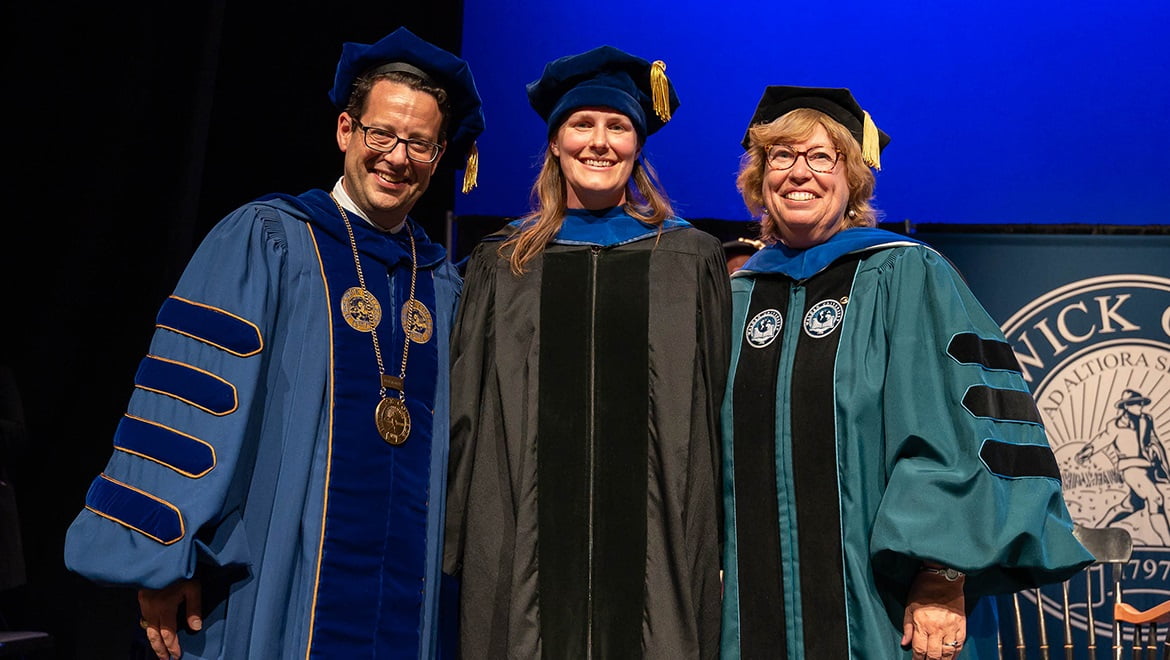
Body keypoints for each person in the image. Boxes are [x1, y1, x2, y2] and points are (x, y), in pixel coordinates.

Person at [62, 27, 483, 660]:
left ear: (439, 153)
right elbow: (184, 402)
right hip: (278, 571)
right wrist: (158, 559)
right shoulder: (269, 240)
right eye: (381, 134)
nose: (397, 157)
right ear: (347, 130)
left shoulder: (444, 283)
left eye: (419, 143)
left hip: (404, 591)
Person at [718, 86, 1094, 660]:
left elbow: (958, 431)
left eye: (822, 157)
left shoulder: (907, 274)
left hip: (889, 611)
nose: (800, 172)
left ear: (853, 179)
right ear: (759, 177)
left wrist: (943, 574)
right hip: (753, 618)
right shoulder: (732, 299)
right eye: (781, 156)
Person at [443, 46, 730, 659]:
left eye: (618, 126)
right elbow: (466, 414)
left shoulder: (690, 260)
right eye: (582, 124)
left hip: (664, 557)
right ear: (554, 142)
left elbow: (717, 414)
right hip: (524, 548)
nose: (599, 143)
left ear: (638, 143)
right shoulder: (503, 263)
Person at [1076, 388, 1170, 543]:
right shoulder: (1116, 426)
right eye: (1136, 404)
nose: (1140, 406)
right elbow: (1102, 439)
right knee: (1155, 498)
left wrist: (1162, 464)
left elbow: (1154, 441)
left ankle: (1098, 529)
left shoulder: (1146, 420)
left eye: (1141, 403)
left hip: (1147, 468)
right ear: (1126, 407)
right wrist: (1087, 451)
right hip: (1130, 469)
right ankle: (1167, 544)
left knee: (1130, 506)